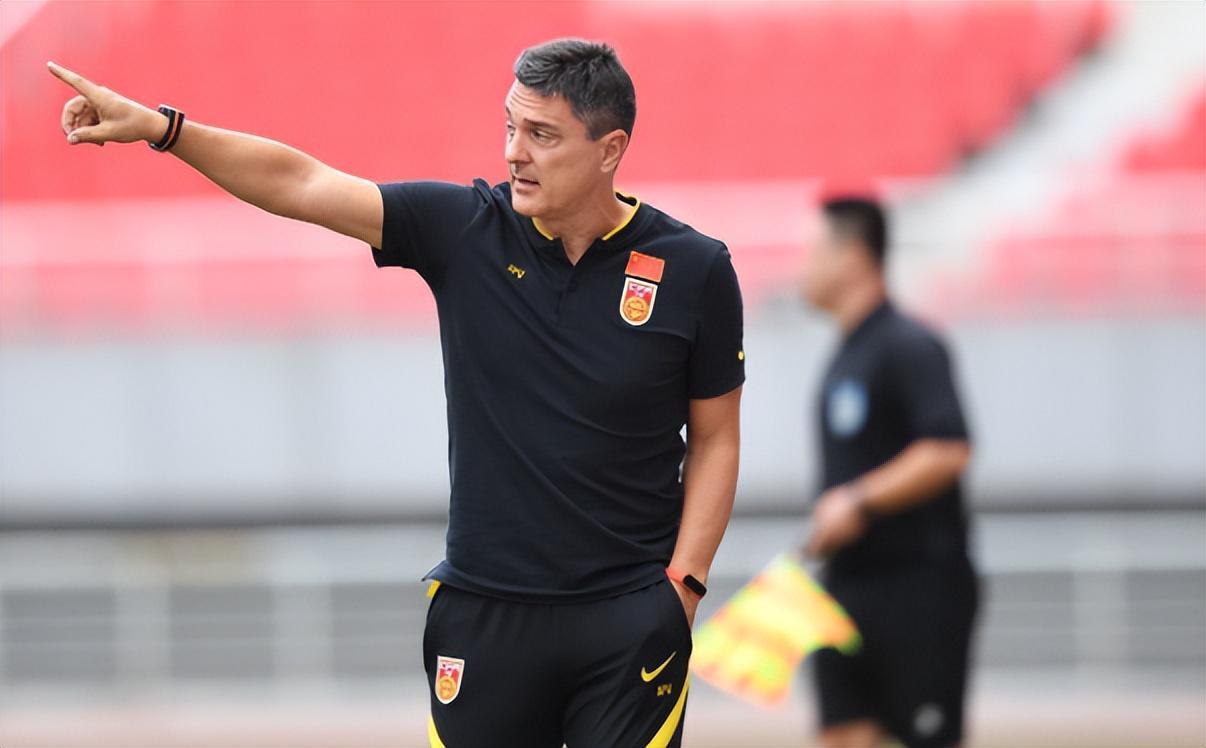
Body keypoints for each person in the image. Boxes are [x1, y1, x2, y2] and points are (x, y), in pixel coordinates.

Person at [48, 39, 744, 748]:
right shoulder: (466, 230)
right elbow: (302, 183)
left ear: (609, 149)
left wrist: (684, 586)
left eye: (541, 135)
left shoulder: (694, 269)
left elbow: (717, 437)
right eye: (510, 127)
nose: (514, 152)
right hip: (484, 617)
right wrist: (163, 129)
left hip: (628, 620)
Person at [798, 197, 978, 748]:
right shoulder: (845, 354)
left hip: (917, 589)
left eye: (812, 251)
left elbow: (948, 449)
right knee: (842, 731)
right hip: (845, 586)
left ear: (852, 257)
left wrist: (858, 501)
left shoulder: (909, 345)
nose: (801, 266)